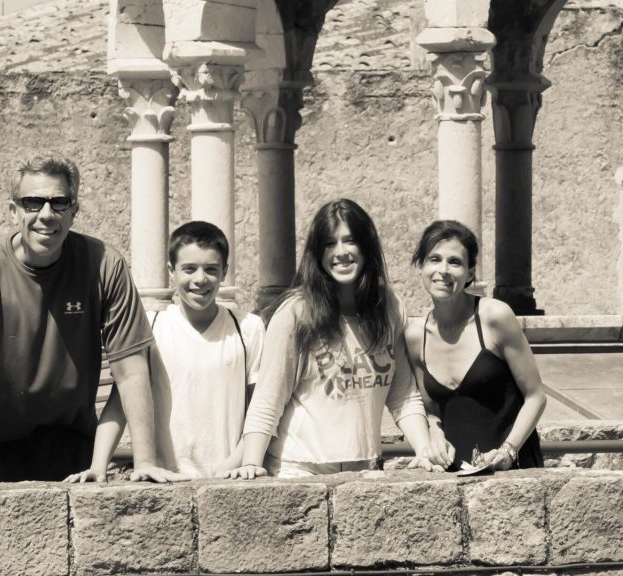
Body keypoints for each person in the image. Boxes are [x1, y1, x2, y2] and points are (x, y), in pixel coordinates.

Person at [0, 153, 185, 485]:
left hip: (74, 452)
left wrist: (144, 461)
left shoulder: (104, 266)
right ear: (14, 211)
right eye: (33, 203)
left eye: (58, 202)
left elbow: (132, 370)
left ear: (74, 211)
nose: (46, 215)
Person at [227, 198, 447, 479]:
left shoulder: (388, 308)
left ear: (366, 246)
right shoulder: (296, 313)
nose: (341, 252)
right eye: (330, 243)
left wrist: (424, 450)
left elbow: (403, 395)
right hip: (298, 468)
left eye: (350, 241)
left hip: (364, 467)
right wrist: (251, 464)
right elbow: (268, 398)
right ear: (317, 253)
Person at [405, 220, 546, 471]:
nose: (443, 270)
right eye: (434, 259)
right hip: (452, 476)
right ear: (421, 267)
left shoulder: (495, 317)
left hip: (513, 470)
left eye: (455, 262)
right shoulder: (415, 335)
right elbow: (432, 411)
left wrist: (508, 451)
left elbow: (535, 396)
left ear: (470, 273)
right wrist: (434, 434)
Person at [146, 221, 265, 476]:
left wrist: (231, 466)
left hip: (229, 476)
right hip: (166, 477)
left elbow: (261, 411)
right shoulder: (152, 326)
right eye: (189, 269)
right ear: (171, 271)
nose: (200, 279)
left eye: (211, 269)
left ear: (224, 272)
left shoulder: (249, 328)